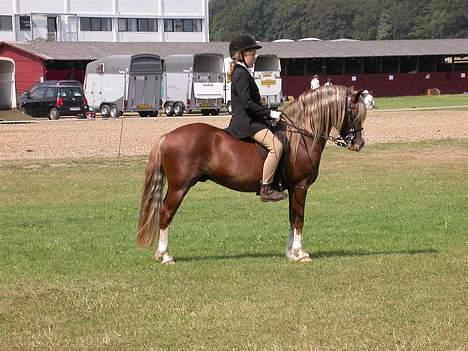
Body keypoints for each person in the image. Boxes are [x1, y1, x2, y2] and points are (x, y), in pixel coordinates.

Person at [225, 34, 287, 202]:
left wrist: (268, 117)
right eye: (251, 53)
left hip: (252, 120)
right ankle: (266, 187)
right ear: (241, 56)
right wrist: (269, 113)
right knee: (276, 147)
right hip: (247, 123)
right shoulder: (241, 74)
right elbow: (247, 104)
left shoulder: (242, 72)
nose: (254, 57)